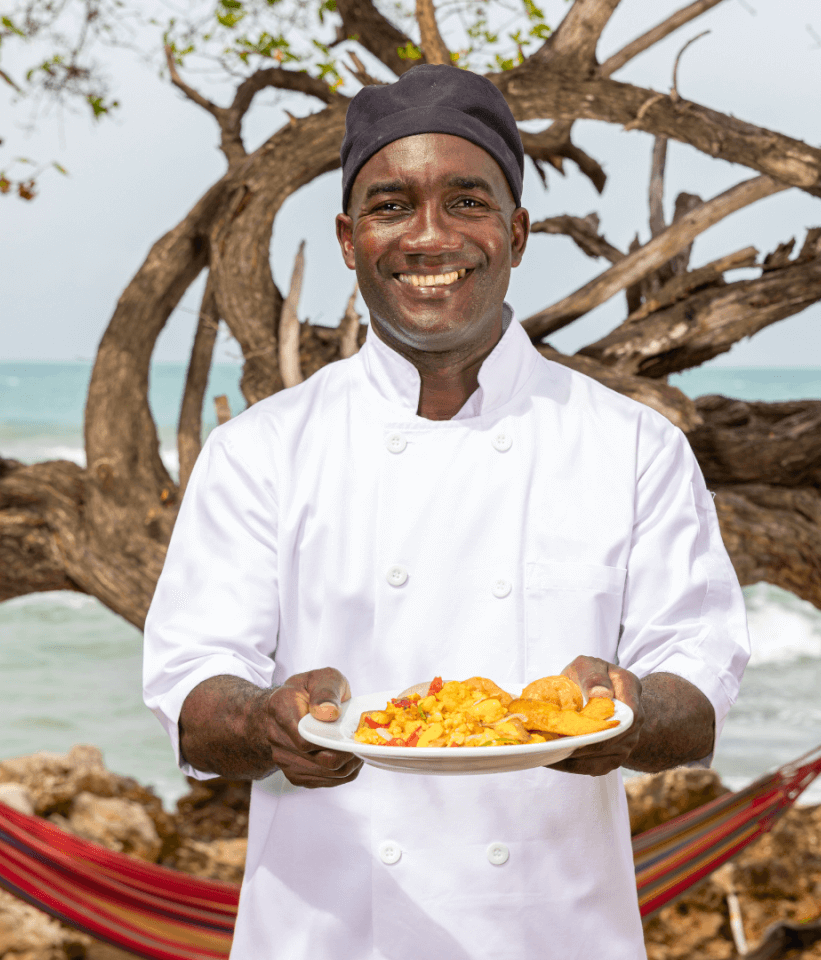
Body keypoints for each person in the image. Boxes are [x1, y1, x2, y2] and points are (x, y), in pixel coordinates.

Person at [143, 64, 750, 960]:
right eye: (392, 206)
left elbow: (696, 689)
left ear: (516, 229)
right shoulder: (263, 450)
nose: (430, 236)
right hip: (329, 935)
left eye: (466, 201)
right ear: (350, 239)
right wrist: (268, 720)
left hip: (554, 931)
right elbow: (193, 689)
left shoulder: (632, 446)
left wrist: (625, 709)